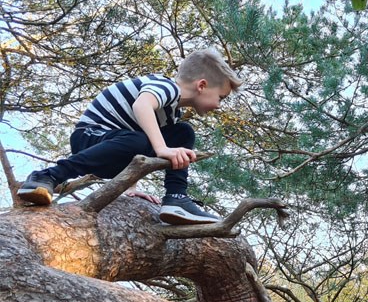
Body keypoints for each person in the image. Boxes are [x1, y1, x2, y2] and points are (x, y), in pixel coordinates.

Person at [17, 48, 241, 225]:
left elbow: (137, 141)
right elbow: (141, 106)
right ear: (202, 85)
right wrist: (162, 149)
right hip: (90, 137)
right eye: (220, 97)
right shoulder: (166, 87)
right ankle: (47, 176)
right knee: (141, 140)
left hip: (116, 151)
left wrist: (129, 187)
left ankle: (176, 197)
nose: (219, 106)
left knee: (183, 132)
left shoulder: (172, 114)